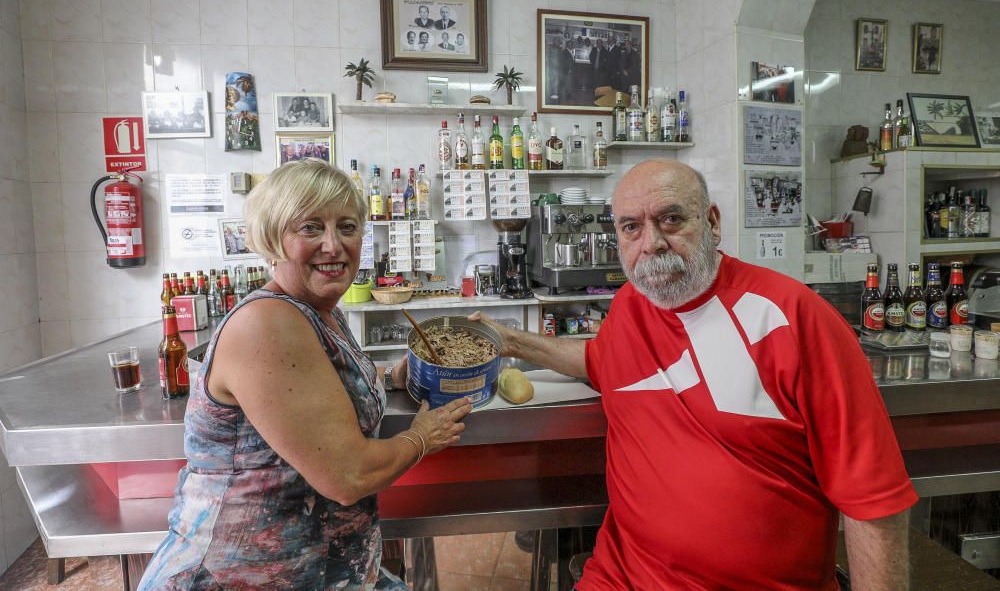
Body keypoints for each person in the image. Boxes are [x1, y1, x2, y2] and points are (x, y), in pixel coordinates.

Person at [472, 159, 917, 590]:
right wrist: (508, 340)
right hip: (621, 577)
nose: (652, 243)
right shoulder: (630, 307)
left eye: (670, 219)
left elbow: (875, 503)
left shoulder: (791, 318)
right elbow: (595, 361)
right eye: (631, 227)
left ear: (712, 222)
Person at [138, 159, 473, 589]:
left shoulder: (322, 313)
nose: (333, 245)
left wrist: (388, 377)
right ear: (274, 238)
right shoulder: (266, 323)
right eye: (311, 227)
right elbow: (347, 475)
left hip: (323, 572)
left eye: (347, 227)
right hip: (238, 575)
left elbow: (321, 390)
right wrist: (422, 436)